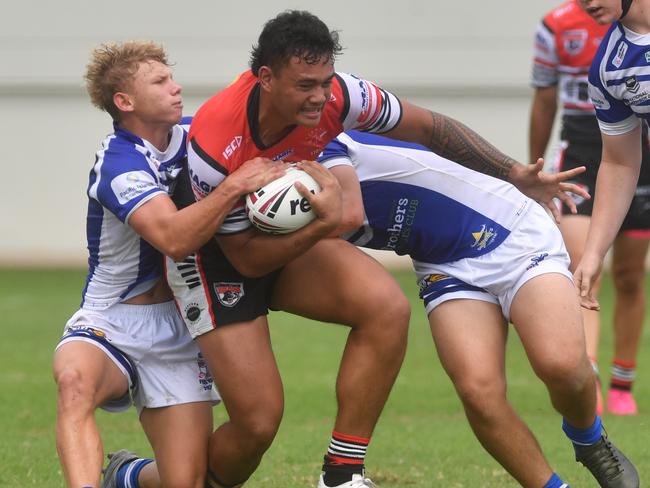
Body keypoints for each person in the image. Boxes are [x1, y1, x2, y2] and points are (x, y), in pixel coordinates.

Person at [144, 10, 608, 488]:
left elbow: (430, 128)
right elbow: (243, 257)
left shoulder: (341, 98)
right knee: (257, 424)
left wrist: (513, 172)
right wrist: (324, 220)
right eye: (305, 84)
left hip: (289, 239)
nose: (319, 96)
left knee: (386, 307)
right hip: (218, 252)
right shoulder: (215, 144)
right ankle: (138, 477)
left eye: (325, 82)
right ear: (266, 78)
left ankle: (342, 473)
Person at [318, 130, 640, 488]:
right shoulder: (270, 179)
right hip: (442, 262)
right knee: (478, 391)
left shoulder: (327, 139)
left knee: (561, 365)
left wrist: (516, 171)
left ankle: (590, 441)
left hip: (511, 230)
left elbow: (430, 131)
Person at [52, 41, 289, 488]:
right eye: (160, 82)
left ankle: (126, 476)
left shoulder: (198, 136)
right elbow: (173, 238)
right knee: (74, 381)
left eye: (171, 77)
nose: (176, 88)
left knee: (186, 481)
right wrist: (235, 184)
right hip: (113, 319)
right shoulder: (119, 163)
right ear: (126, 102)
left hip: (180, 328)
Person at [530, 0, 650, 416]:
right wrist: (596, 251)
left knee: (632, 277)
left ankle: (622, 381)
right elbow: (620, 161)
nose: (588, 1)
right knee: (584, 269)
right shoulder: (610, 66)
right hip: (583, 149)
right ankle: (596, 390)